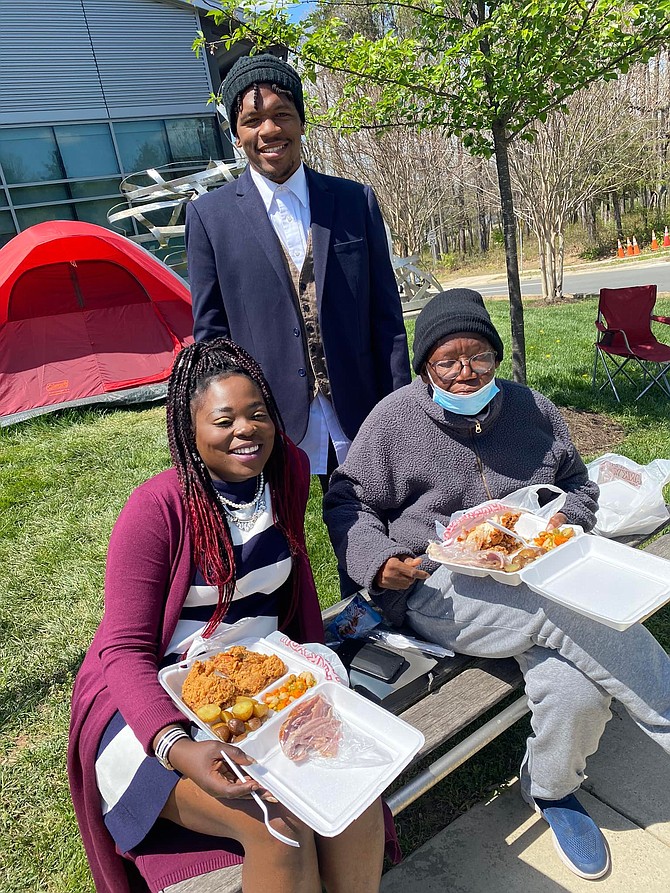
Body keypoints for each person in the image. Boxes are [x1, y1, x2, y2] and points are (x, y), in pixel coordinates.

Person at [324, 288, 670, 881]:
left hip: (536, 577)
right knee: (556, 610)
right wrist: (378, 561)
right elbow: (346, 500)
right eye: (447, 362)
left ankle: (552, 789)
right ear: (425, 368)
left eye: (478, 357)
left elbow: (579, 488)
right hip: (434, 590)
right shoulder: (396, 419)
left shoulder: (532, 410)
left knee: (577, 692)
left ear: (496, 356)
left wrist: (563, 521)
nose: (465, 374)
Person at [68, 338, 386, 893]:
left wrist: (324, 674)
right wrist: (179, 749)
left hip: (263, 688)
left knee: (353, 793)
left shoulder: (284, 473)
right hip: (151, 703)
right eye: (224, 419)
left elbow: (298, 589)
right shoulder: (156, 509)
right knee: (278, 823)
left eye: (257, 412)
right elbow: (123, 651)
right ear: (190, 432)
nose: (246, 430)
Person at [185, 53, 411, 484]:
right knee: (274, 540)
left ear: (301, 121)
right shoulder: (209, 218)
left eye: (281, 115)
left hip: (358, 402)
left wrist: (400, 404)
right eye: (253, 120)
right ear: (236, 133)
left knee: (371, 522)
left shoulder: (353, 202)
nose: (269, 130)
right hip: (266, 416)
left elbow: (387, 317)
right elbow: (211, 337)